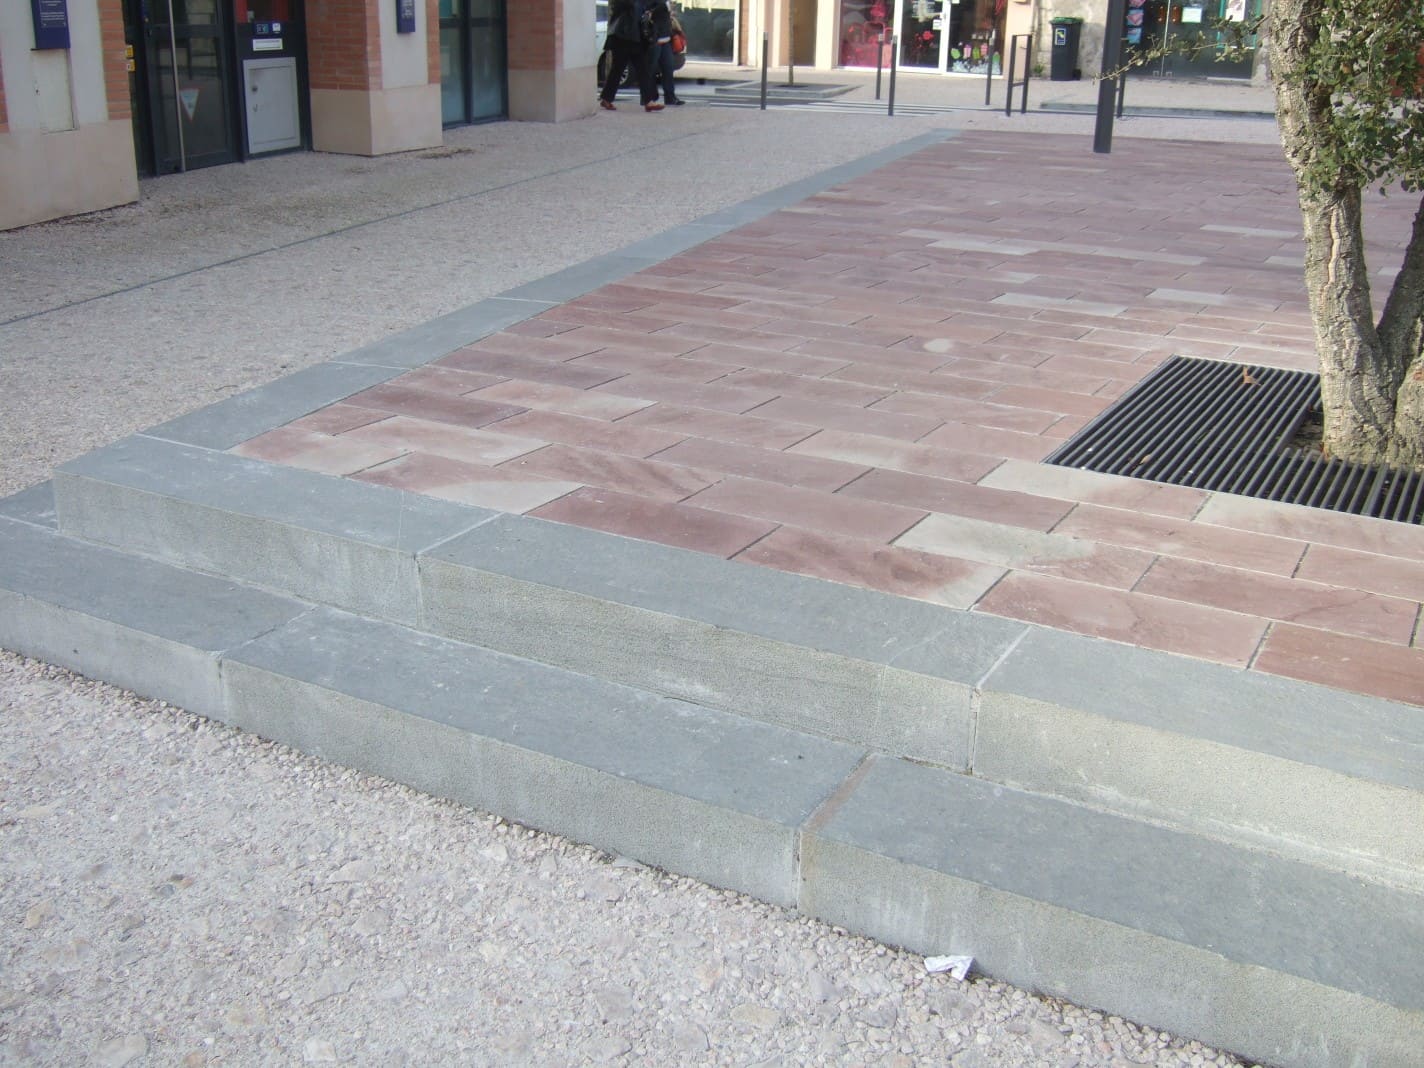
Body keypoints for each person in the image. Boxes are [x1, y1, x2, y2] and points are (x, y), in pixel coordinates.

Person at [600, 0, 661, 112]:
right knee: (617, 70)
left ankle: (648, 101)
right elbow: (629, 4)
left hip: (635, 38)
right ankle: (606, 99)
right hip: (622, 36)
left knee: (643, 70)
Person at [647, 1, 683, 106]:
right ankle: (650, 97)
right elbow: (647, 11)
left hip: (666, 38)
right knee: (651, 69)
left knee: (668, 68)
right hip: (655, 39)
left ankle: (670, 97)